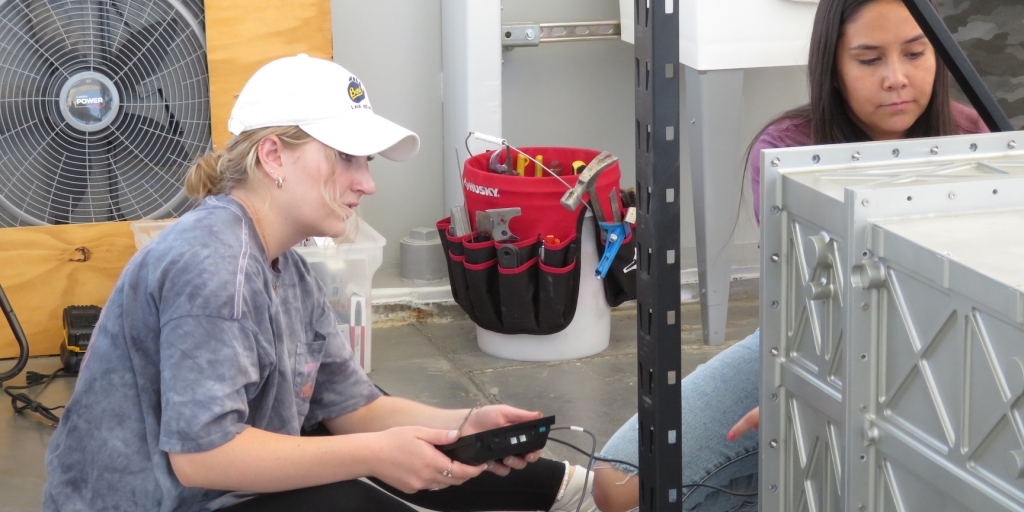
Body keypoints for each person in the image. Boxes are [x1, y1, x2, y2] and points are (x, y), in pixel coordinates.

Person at [42, 54, 596, 512]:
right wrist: (375, 456)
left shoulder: (289, 268)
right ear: (273, 154)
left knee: (467, 471)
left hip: (221, 490)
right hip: (162, 501)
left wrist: (466, 424)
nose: (368, 183)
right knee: (361, 494)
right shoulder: (212, 263)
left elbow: (352, 409)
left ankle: (596, 494)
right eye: (347, 158)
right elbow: (204, 455)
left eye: (368, 161)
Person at [591, 0, 989, 510]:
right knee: (622, 485)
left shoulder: (980, 139)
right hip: (811, 343)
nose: (897, 78)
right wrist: (800, 391)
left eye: (915, 53)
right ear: (833, 69)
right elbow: (811, 309)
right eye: (869, 60)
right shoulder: (787, 150)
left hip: (948, 357)